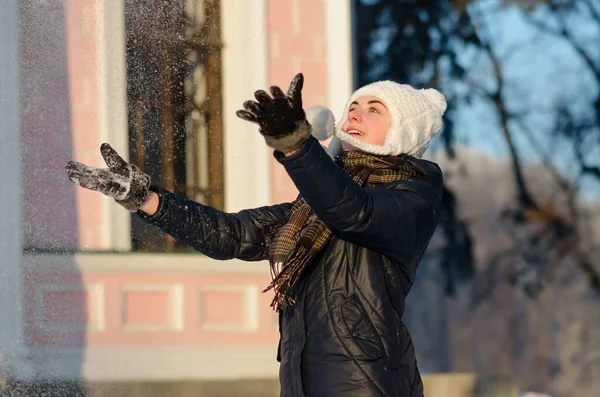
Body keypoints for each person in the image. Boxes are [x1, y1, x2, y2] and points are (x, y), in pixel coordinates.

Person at [65, 73, 446, 397]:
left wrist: (297, 146)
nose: (355, 115)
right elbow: (229, 234)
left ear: (401, 134)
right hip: (300, 381)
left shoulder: (412, 200)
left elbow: (354, 212)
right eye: (353, 108)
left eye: (373, 110)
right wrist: (146, 199)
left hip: (368, 384)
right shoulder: (309, 209)